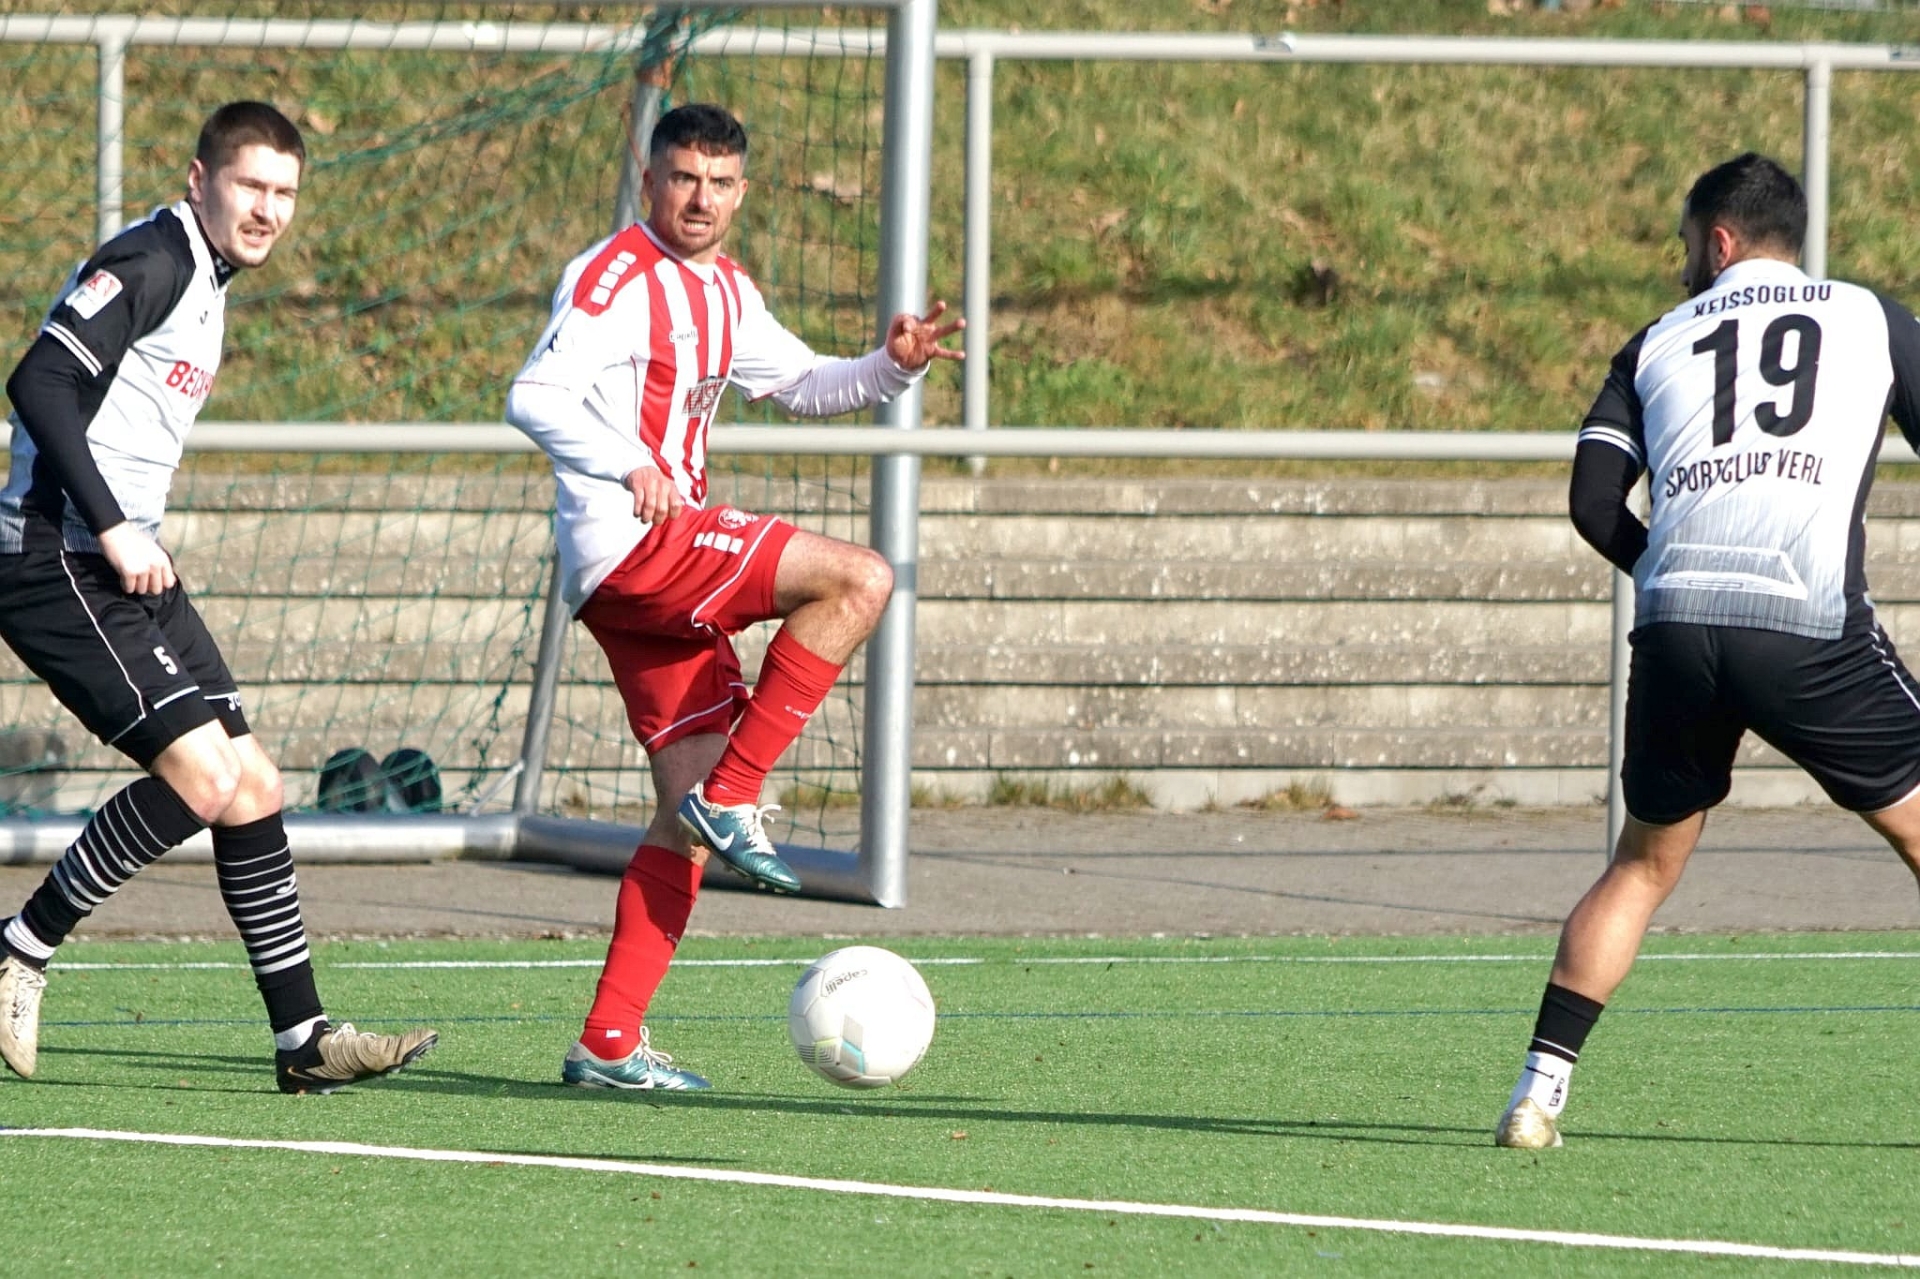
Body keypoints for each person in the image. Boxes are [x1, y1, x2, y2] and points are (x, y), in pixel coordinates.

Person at [506, 102, 962, 1091]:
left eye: (718, 183)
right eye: (683, 178)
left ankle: (609, 1042)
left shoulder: (727, 291)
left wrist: (893, 367)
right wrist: (628, 462)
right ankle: (737, 791)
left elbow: (803, 384)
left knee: (682, 822)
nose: (699, 198)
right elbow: (532, 395)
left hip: (636, 581)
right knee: (861, 578)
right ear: (649, 180)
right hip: (638, 545)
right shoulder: (615, 275)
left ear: (742, 193)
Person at [0, 102, 438, 1094]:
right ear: (200, 180)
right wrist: (113, 522)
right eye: (250, 186)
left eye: (285, 192)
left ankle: (303, 1036)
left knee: (253, 785)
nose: (268, 209)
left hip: (121, 560)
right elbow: (38, 381)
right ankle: (20, 946)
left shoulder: (206, 276)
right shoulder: (154, 258)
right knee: (203, 777)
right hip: (54, 554)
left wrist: (126, 534)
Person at [1495, 152, 1920, 1149]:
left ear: (1719, 242)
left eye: (1687, 243)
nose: (1683, 261)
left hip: (1676, 622)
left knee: (1643, 865)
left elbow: (1593, 503)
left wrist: (1667, 569)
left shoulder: (1655, 340)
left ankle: (1537, 1093)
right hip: (1808, 623)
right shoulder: (1870, 318)